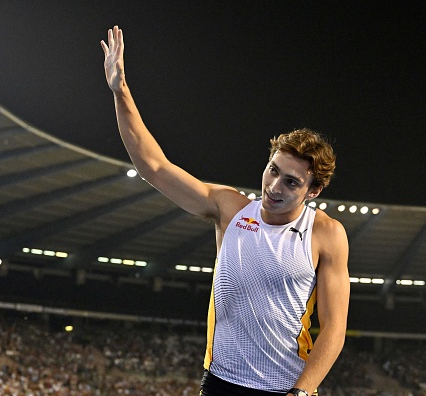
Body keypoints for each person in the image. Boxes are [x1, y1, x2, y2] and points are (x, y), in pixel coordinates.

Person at [101, 26, 349, 396]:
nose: (274, 187)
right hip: (221, 384)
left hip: (285, 389)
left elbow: (334, 329)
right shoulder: (230, 209)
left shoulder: (325, 233)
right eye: (273, 170)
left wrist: (302, 392)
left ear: (314, 190)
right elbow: (152, 166)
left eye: (292, 183)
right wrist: (120, 91)